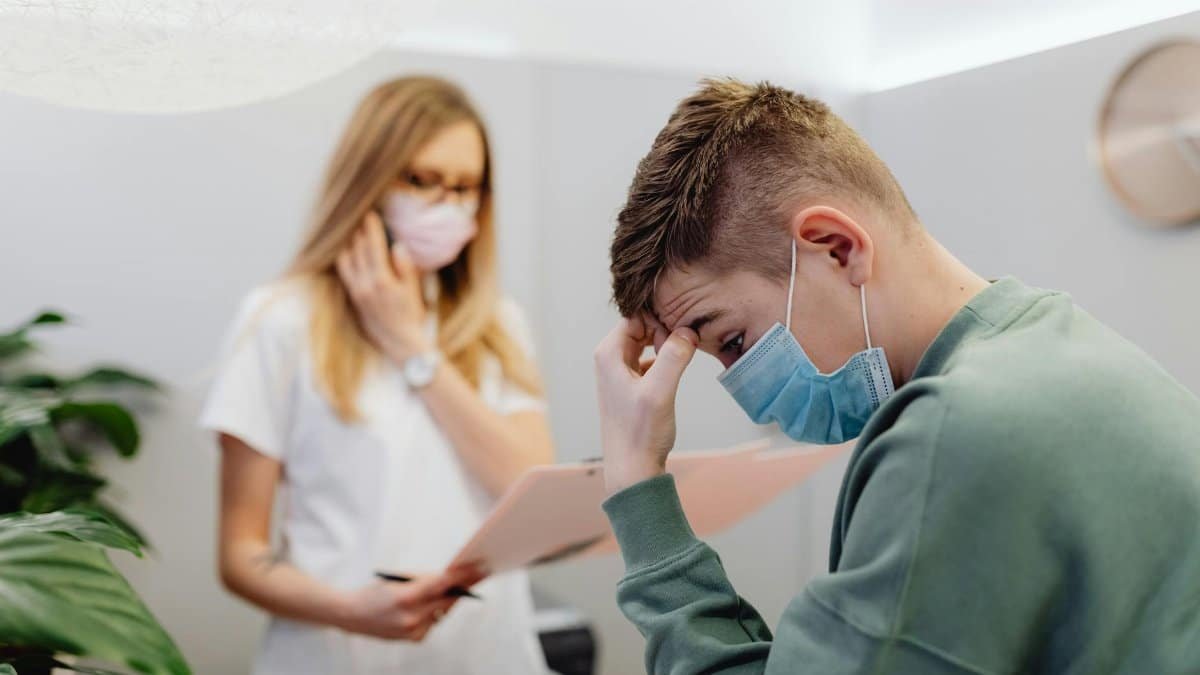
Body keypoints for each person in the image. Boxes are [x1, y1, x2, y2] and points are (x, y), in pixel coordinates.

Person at [592, 78, 1200, 674]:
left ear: (836, 248)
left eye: (735, 342)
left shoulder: (958, 432)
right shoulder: (1059, 344)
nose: (751, 398)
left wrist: (636, 484)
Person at [200, 76, 554, 675]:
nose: (445, 204)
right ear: (369, 177)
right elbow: (241, 555)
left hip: (491, 656)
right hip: (336, 656)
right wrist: (348, 609)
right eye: (421, 180)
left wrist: (412, 347)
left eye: (465, 187)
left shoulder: (498, 324)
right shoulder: (282, 322)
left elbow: (526, 486)